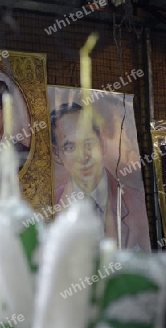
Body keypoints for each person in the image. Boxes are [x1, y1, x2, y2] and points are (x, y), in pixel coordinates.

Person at [51, 102, 150, 251]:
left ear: (102, 142)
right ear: (57, 154)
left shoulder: (136, 203)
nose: (83, 156)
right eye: (70, 147)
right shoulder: (49, 204)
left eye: (89, 143)